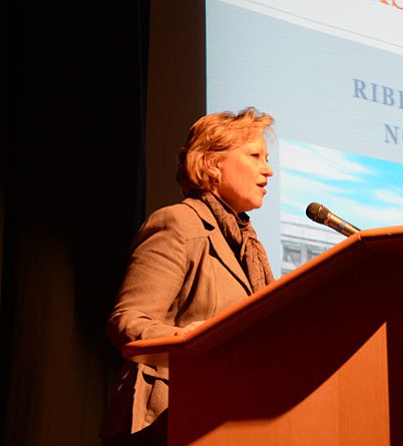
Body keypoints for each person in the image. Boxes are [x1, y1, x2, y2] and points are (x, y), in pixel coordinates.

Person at [101, 107, 276, 445]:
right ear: (212, 163)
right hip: (169, 418)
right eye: (255, 156)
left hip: (231, 418)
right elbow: (125, 320)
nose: (267, 170)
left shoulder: (251, 248)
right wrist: (186, 340)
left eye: (266, 158)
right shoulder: (178, 224)